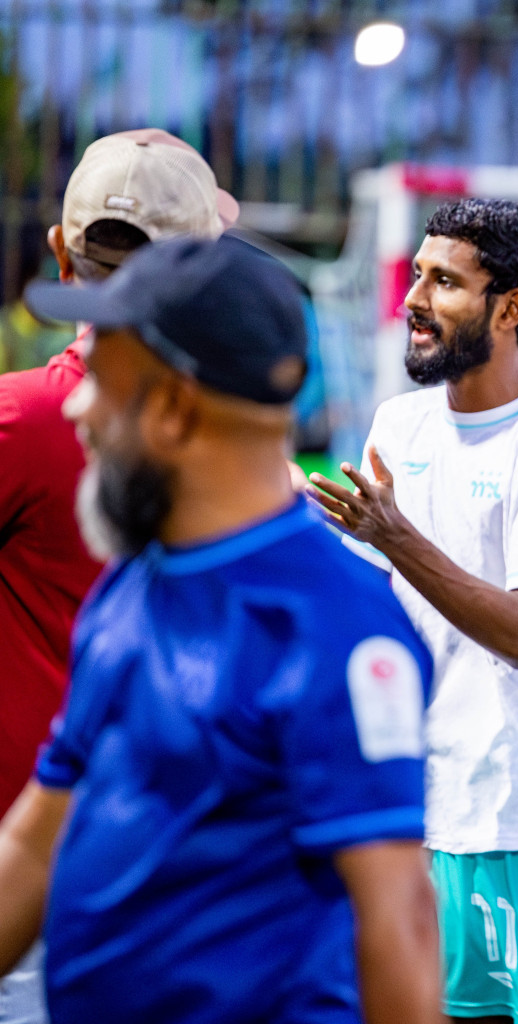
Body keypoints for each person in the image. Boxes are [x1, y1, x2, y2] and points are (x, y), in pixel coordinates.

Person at [0, 235, 442, 1024]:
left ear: (171, 409)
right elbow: (36, 842)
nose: (76, 407)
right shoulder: (133, 587)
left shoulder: (337, 630)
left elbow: (398, 922)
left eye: (99, 380)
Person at [308, 199, 518, 1024]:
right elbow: (367, 600)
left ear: (509, 309)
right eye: (417, 276)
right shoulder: (398, 423)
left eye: (445, 282)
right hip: (388, 792)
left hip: (488, 809)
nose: (415, 298)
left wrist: (395, 537)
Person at [0, 128, 231, 1023]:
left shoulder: (22, 419)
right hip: (188, 873)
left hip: (34, 872)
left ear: (61, 251)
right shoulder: (246, 442)